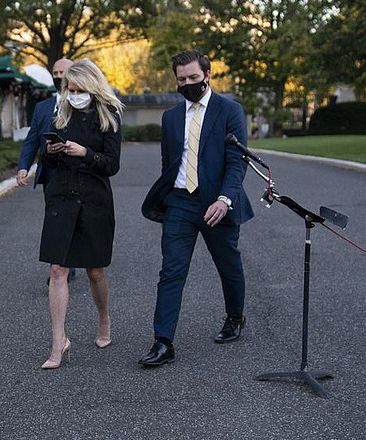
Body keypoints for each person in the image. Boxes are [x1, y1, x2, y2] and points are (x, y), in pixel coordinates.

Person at [139, 49, 253, 368]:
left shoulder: (230, 110)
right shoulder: (171, 117)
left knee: (228, 265)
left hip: (217, 203)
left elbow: (237, 161)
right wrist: (166, 198)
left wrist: (225, 198)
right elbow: (168, 163)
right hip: (180, 202)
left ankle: (234, 318)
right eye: (181, 79)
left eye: (193, 77)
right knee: (171, 271)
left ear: (207, 75)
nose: (188, 83)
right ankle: (163, 341)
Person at [37, 59, 124, 369]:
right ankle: (58, 343)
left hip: (94, 200)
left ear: (92, 87)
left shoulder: (109, 116)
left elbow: (112, 164)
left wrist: (85, 153)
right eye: (69, 89)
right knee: (57, 270)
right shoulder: (60, 115)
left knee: (95, 271)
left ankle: (103, 318)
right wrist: (50, 152)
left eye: (78, 89)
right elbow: (44, 161)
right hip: (61, 199)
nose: (73, 94)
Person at [16, 58, 76, 285]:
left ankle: (67, 264)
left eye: (64, 72)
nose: (59, 76)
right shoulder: (42, 107)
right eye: (55, 72)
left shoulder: (84, 103)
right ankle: (62, 266)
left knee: (73, 219)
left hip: (75, 173)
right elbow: (32, 140)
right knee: (55, 220)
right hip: (49, 175)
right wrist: (24, 166)